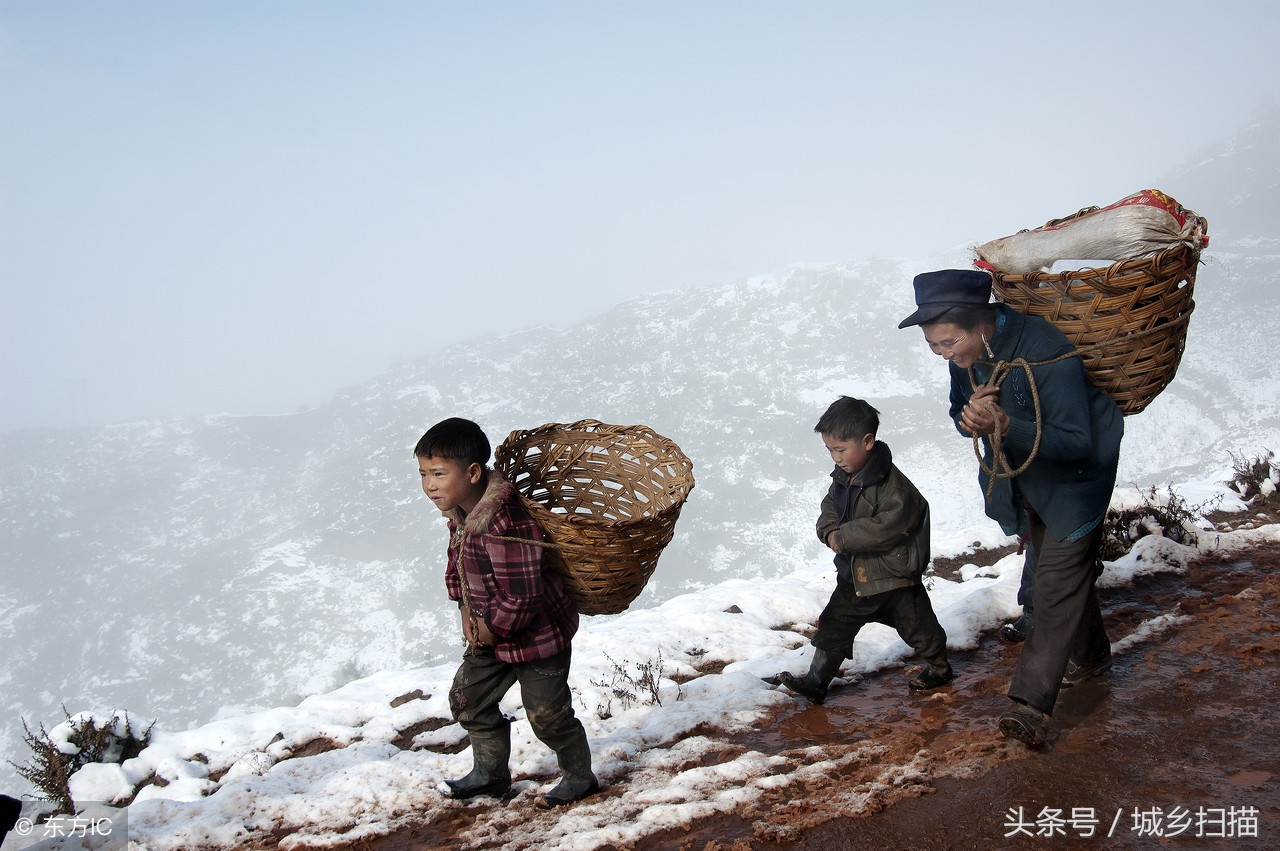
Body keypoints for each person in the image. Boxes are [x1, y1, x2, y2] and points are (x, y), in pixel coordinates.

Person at [899, 269, 1122, 748]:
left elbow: (1078, 442)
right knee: (1058, 567)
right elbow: (962, 415)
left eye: (948, 342)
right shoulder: (969, 356)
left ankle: (1030, 707)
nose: (943, 353)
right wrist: (972, 418)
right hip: (1025, 481)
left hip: (1076, 479)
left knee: (1053, 585)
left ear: (981, 323)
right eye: (934, 346)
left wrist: (1005, 422)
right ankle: (1093, 654)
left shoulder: (1046, 352)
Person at [415, 417, 599, 808]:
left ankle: (580, 777)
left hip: (537, 638)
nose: (429, 485)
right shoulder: (460, 515)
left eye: (437, 473)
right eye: (423, 474)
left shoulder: (504, 520)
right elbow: (457, 566)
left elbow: (524, 596)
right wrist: (464, 608)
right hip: (489, 633)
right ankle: (490, 774)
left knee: (548, 715)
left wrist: (489, 628)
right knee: (468, 700)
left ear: (473, 472)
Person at [777, 396, 953, 704]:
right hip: (856, 576)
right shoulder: (844, 478)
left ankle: (939, 667)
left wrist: (843, 538)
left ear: (867, 441)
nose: (835, 458)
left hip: (892, 577)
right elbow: (830, 505)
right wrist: (829, 529)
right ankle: (817, 681)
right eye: (830, 450)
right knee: (835, 622)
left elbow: (886, 528)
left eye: (841, 449)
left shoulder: (896, 489)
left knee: (917, 626)